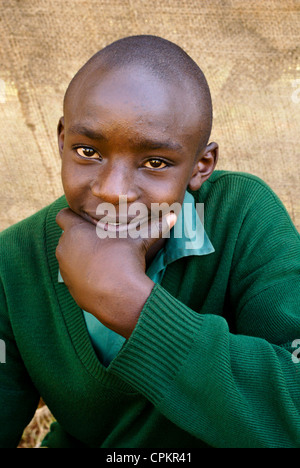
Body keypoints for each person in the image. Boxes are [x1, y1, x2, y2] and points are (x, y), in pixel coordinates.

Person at [0, 35, 299, 449]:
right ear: (61, 140)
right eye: (88, 151)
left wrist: (133, 306)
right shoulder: (14, 263)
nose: (114, 191)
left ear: (201, 165)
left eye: (155, 162)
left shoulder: (244, 216)